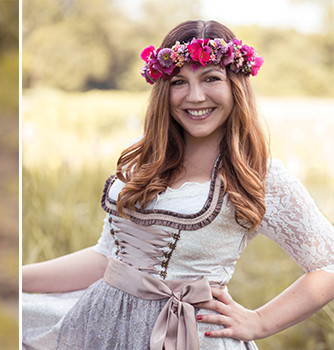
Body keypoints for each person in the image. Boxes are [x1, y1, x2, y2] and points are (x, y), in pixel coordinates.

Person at [22, 20, 334, 349]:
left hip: (189, 337)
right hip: (102, 329)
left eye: (211, 78)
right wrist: (20, 277)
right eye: (179, 82)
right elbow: (107, 258)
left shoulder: (256, 174)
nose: (195, 96)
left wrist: (259, 321)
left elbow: (329, 263)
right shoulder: (144, 160)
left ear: (235, 86)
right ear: (163, 90)